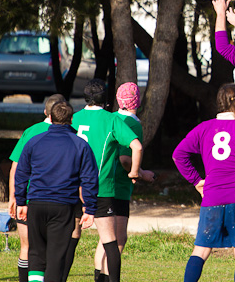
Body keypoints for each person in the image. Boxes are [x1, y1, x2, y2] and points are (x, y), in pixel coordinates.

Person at [172, 83, 235, 282]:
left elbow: (179, 154)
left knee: (201, 250)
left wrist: (197, 181)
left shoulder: (204, 127)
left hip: (213, 195)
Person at [15, 101, 98, 282]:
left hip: (36, 204)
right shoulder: (80, 145)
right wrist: (90, 209)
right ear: (71, 120)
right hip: (63, 207)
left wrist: (20, 201)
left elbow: (21, 173)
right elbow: (89, 179)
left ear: (50, 118)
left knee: (36, 254)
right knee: (55, 257)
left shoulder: (34, 142)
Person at [71, 79, 144, 282]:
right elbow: (132, 151)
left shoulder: (73, 118)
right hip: (103, 187)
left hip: (72, 188)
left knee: (70, 241)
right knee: (112, 242)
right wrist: (136, 173)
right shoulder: (113, 120)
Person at [94, 83, 156, 281]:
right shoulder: (133, 123)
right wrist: (142, 173)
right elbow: (125, 159)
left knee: (104, 239)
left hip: (101, 183)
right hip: (118, 186)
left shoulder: (111, 118)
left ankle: (98, 276)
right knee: (117, 239)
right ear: (136, 101)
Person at [8, 94, 64, 282]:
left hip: (29, 198)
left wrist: (13, 197)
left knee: (27, 247)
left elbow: (15, 167)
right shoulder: (69, 134)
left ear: (45, 111)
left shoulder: (31, 131)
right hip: (56, 199)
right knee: (50, 249)